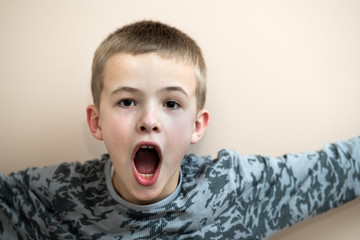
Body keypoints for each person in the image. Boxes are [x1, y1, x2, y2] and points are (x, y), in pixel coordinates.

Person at [0, 20, 359, 240]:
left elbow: (343, 167)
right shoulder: (56, 197)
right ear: (96, 122)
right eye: (127, 102)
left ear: (197, 126)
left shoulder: (230, 188)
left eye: (171, 104)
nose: (149, 120)